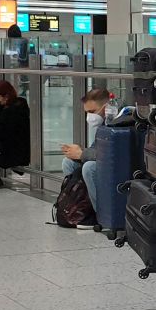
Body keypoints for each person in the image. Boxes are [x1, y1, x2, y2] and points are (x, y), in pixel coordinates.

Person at [59, 88, 110, 226]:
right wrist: (77, 153)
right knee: (68, 163)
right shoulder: (102, 125)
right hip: (104, 163)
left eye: (92, 112)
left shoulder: (118, 122)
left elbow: (110, 153)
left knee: (89, 168)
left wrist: (82, 154)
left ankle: (101, 215)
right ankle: (80, 206)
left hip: (115, 167)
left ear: (106, 107)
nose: (89, 117)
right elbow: (96, 149)